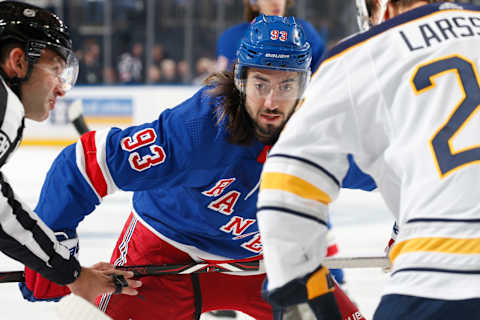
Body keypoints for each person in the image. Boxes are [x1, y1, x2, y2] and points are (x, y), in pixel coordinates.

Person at [22, 15, 372, 319]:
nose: (271, 101)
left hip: (267, 261)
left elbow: (403, 166)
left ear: (304, 86)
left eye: (286, 85)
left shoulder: (322, 134)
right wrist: (54, 259)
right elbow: (81, 164)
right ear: (241, 80)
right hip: (166, 255)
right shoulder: (197, 129)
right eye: (261, 83)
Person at [257, 1, 480, 319]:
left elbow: (287, 179)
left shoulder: (364, 53)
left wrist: (300, 286)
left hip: (434, 282)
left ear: (384, 8)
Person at [0, 0, 141, 304]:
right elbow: (3, 215)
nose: (63, 89)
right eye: (55, 70)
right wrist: (73, 274)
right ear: (18, 62)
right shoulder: (4, 105)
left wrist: (71, 271)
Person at [216, 0, 326, 73]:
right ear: (253, 3)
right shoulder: (231, 37)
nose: (275, 2)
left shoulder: (305, 32)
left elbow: (321, 76)